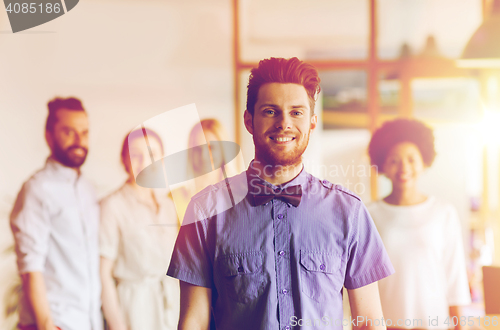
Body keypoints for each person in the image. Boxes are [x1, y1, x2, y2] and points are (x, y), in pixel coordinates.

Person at [167, 57, 395, 330]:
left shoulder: (349, 211)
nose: (284, 123)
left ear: (312, 122)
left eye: (296, 112)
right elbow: (194, 321)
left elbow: (369, 322)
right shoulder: (204, 211)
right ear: (249, 121)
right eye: (271, 111)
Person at [367, 118, 471, 330]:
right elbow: (364, 280)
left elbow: (455, 277)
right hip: (387, 324)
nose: (404, 167)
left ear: (424, 162)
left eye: (411, 159)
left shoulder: (443, 213)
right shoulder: (369, 214)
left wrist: (461, 325)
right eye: (394, 160)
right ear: (383, 165)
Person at [10, 97, 102, 330]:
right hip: (54, 324)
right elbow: (30, 268)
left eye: (84, 132)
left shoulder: (89, 189)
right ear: (48, 136)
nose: (79, 140)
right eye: (69, 132)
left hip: (88, 322)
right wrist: (46, 325)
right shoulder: (37, 189)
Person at [99, 128, 180, 330]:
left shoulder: (170, 206)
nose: (145, 161)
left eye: (152, 154)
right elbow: (102, 275)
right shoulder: (112, 206)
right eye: (136, 155)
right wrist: (117, 325)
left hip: (171, 309)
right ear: (124, 160)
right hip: (134, 312)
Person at [169, 118, 244, 222]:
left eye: (211, 147)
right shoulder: (174, 199)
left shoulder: (241, 195)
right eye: (197, 148)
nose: (204, 156)